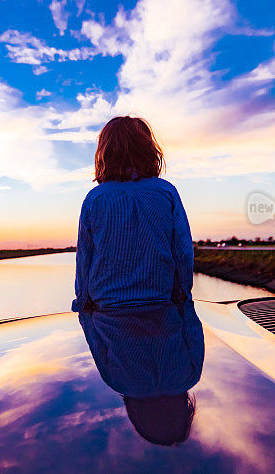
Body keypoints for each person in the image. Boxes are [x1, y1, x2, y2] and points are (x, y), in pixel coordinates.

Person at [73, 115, 204, 446]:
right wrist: (181, 297)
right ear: (150, 151)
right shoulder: (166, 193)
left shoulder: (95, 199)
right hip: (162, 303)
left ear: (105, 153)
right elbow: (183, 253)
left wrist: (83, 304)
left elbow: (85, 260)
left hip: (107, 308)